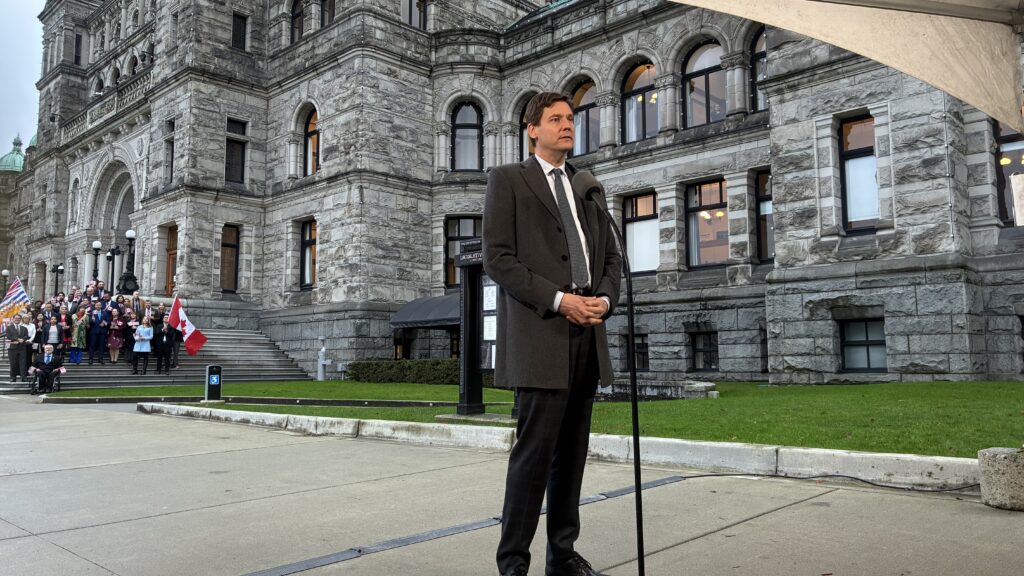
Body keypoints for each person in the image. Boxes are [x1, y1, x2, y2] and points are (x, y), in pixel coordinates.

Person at [483, 92, 621, 576]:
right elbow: (498, 259)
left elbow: (609, 258)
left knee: (572, 459)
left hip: (588, 334)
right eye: (556, 119)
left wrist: (602, 300)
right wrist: (561, 300)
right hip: (542, 333)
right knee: (532, 460)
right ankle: (513, 564)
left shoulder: (587, 186)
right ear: (532, 129)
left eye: (571, 118)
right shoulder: (508, 181)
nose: (567, 125)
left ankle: (562, 556)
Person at [5, 314, 30, 382]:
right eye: (16, 318)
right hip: (12, 348)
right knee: (13, 363)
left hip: (22, 348)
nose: (17, 319)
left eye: (19, 318)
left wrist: (23, 339)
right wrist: (18, 340)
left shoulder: (24, 328)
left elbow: (26, 336)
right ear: (13, 319)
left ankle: (23, 377)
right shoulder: (9, 327)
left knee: (23, 363)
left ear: (20, 319)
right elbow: (9, 336)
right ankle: (13, 377)